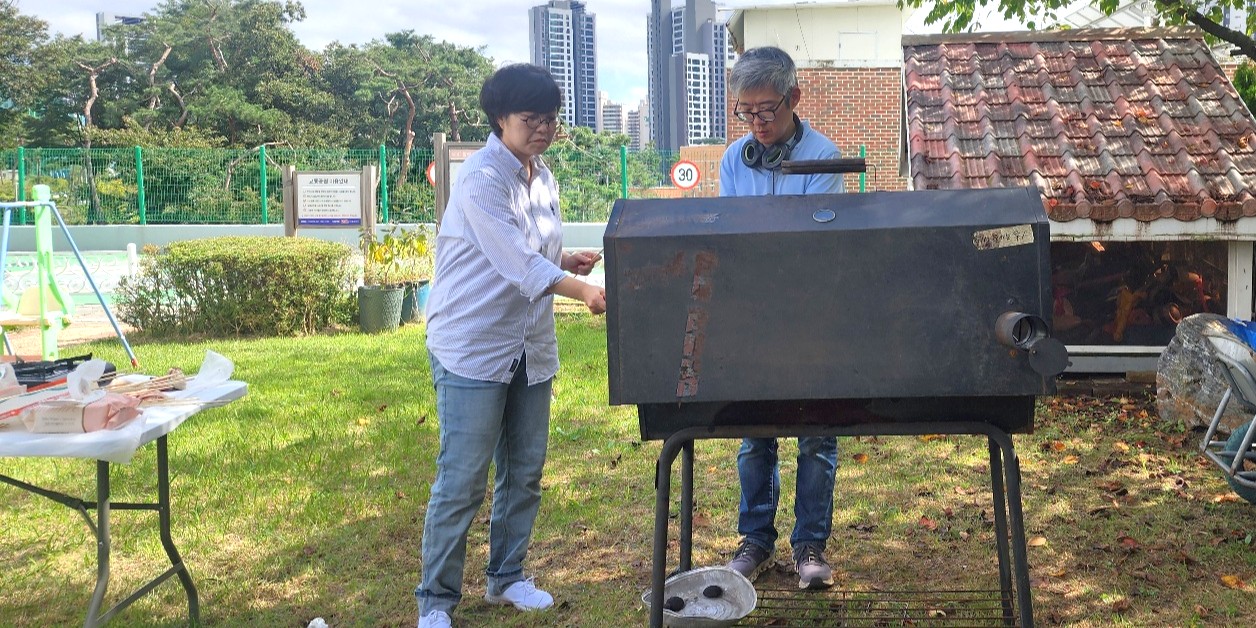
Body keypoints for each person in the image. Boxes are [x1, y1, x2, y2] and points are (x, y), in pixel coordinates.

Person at [416, 63, 606, 628]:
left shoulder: (541, 175)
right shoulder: (481, 178)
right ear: (500, 118)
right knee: (462, 479)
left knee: (524, 471)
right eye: (531, 119)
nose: (544, 129)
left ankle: (506, 578)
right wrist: (581, 290)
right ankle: (435, 602)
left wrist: (564, 260)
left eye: (551, 119)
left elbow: (533, 248)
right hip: (472, 346)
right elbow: (515, 261)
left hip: (530, 346)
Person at [719, 46, 844, 591]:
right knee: (755, 435)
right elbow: (731, 234)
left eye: (766, 110)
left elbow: (814, 242)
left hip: (811, 315)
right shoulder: (733, 159)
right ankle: (756, 540)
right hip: (752, 316)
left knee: (816, 435)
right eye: (745, 112)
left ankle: (810, 544)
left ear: (794, 97)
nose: (756, 123)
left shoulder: (823, 156)